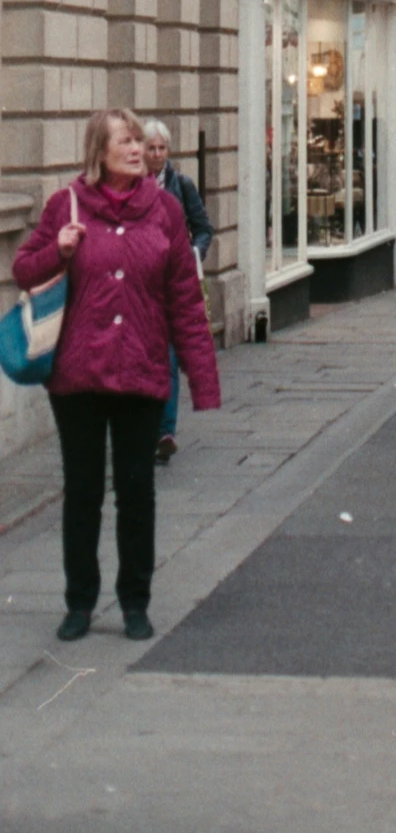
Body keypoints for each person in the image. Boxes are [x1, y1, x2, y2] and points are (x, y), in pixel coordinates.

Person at [12, 107, 219, 644]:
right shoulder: (67, 205)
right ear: (98, 153)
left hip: (142, 370)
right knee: (82, 490)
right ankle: (79, 604)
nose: (137, 148)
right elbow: (24, 269)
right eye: (124, 141)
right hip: (78, 376)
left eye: (139, 141)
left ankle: (135, 602)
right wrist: (58, 251)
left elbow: (184, 301)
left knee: (136, 490)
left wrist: (203, 380)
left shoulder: (167, 211)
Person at [140, 119, 212, 465]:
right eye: (151, 148)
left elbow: (203, 229)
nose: (156, 155)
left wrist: (193, 256)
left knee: (167, 357)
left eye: (161, 148)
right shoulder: (127, 185)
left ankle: (164, 433)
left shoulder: (181, 185)